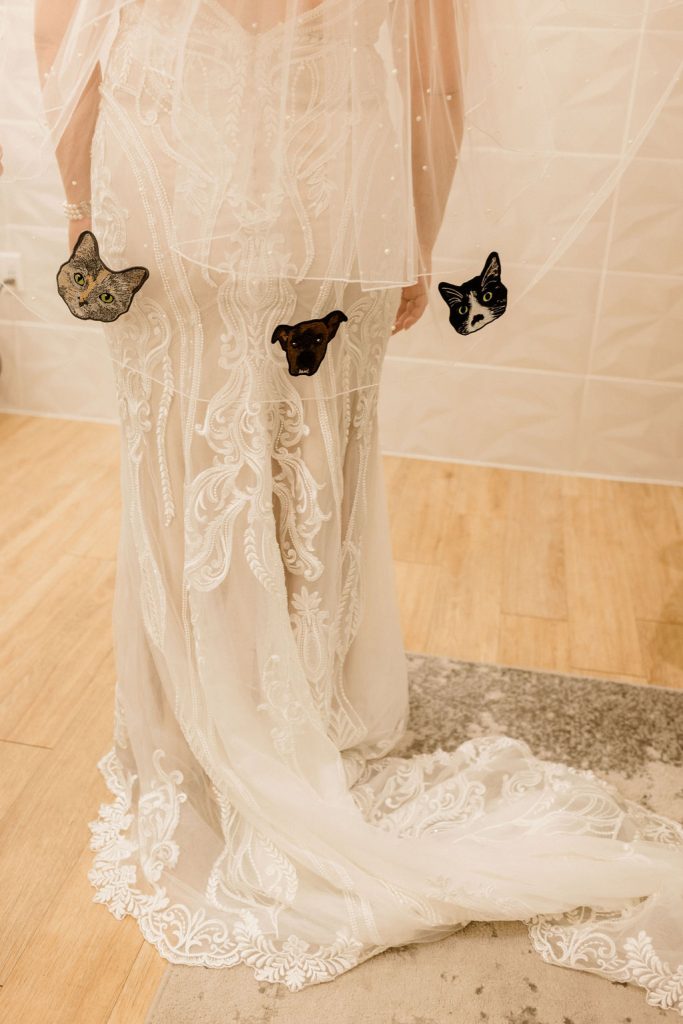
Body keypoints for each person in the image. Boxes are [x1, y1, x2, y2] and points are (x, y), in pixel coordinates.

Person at [28, 0, 683, 1010]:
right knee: (315, 458)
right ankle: (303, 699)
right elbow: (437, 87)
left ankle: (192, 722)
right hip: (329, 192)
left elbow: (65, 37)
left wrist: (82, 210)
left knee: (180, 451)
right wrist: (415, 241)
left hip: (162, 178)